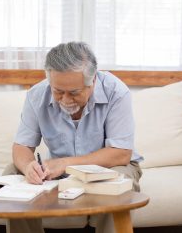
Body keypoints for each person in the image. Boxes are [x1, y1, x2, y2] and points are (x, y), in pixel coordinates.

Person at [8, 41, 143, 233]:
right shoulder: (36, 95)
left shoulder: (117, 92)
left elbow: (121, 154)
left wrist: (65, 163)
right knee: (12, 171)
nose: (65, 100)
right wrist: (28, 167)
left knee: (123, 180)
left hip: (108, 167)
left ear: (93, 81)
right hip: (58, 170)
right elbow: (21, 146)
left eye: (74, 93)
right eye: (58, 91)